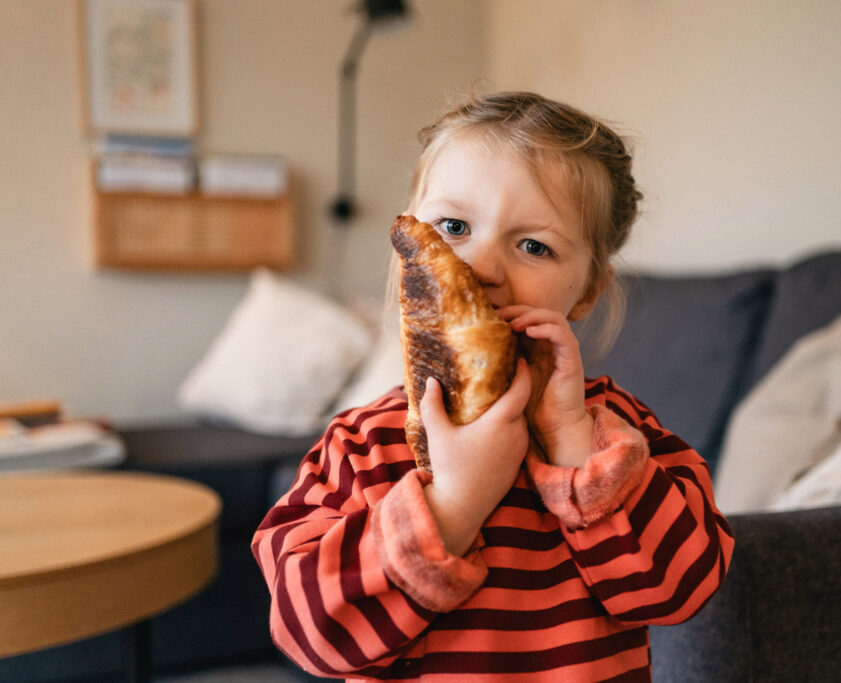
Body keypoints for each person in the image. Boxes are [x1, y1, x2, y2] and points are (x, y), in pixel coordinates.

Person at [252, 91, 734, 681]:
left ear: (586, 291)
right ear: (408, 248)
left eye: (535, 245)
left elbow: (682, 590)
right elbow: (312, 635)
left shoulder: (621, 439)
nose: (480, 268)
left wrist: (575, 445)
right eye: (452, 227)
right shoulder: (361, 445)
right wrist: (453, 504)